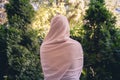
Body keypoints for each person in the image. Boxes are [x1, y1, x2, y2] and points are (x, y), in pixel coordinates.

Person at [40, 14, 83, 80]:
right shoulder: (75, 46)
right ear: (66, 27)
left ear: (52, 27)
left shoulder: (44, 47)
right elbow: (77, 71)